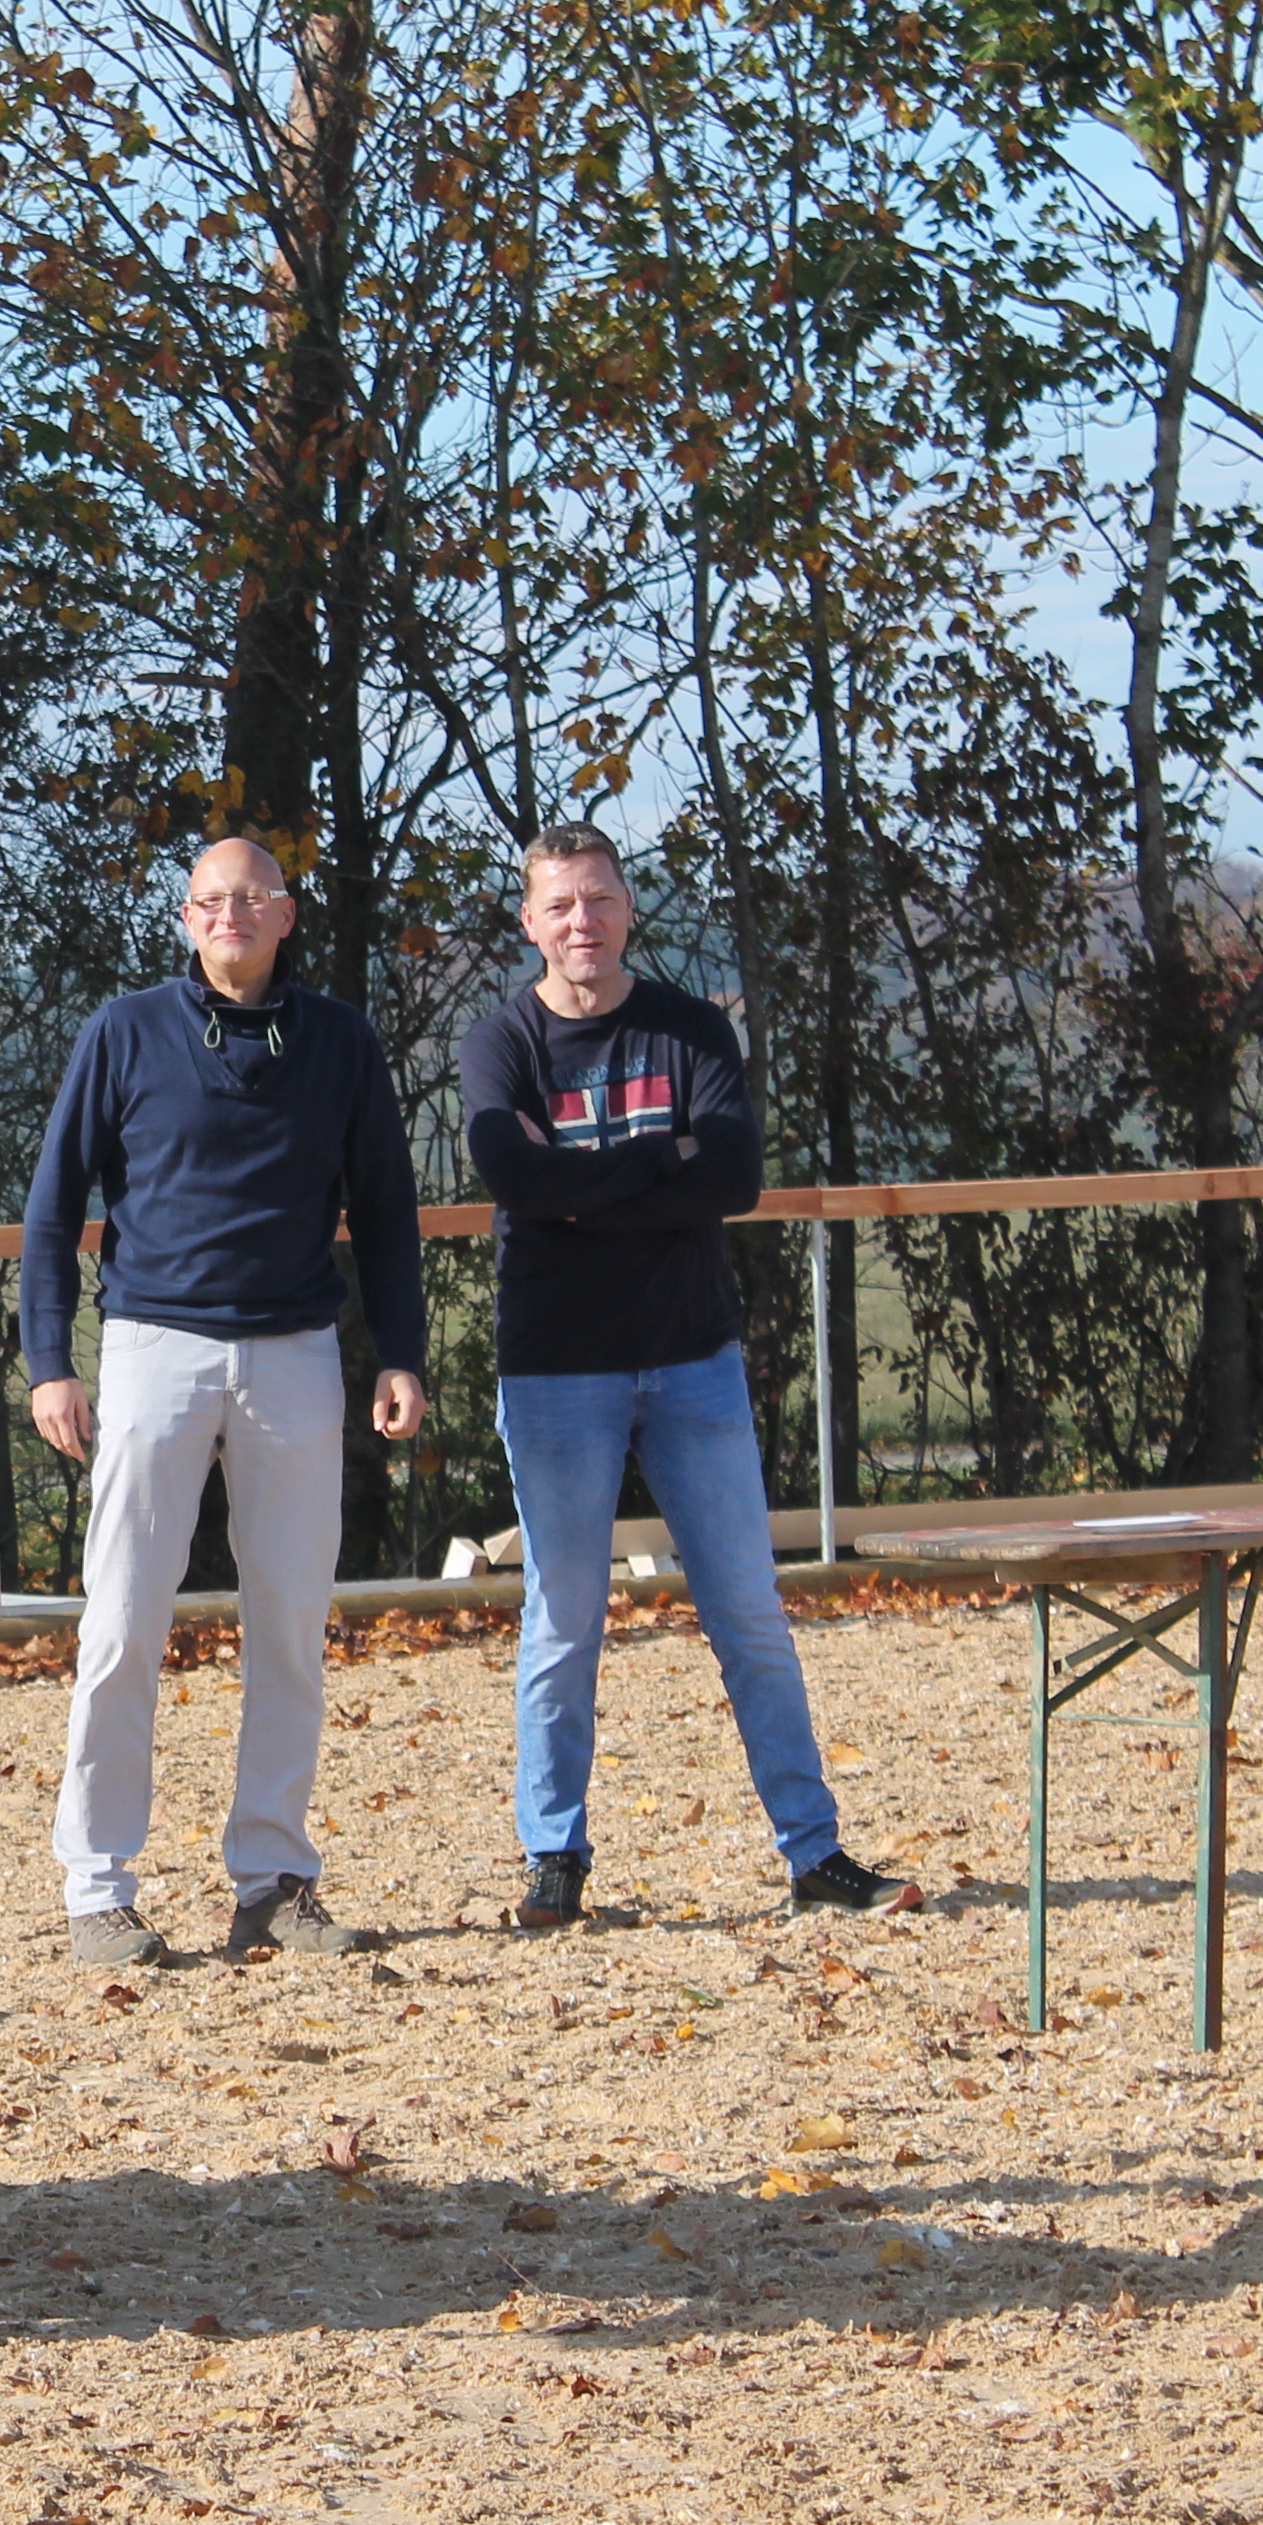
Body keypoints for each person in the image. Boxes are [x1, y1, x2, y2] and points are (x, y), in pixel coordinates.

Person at [457, 821, 915, 1927]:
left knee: (750, 1615)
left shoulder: (690, 1026)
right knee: (564, 1622)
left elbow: (740, 1177)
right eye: (560, 905)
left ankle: (815, 1855)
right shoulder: (499, 1041)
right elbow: (512, 1173)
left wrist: (584, 1185)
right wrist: (663, 1161)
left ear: (629, 909)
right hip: (558, 1370)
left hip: (692, 1360)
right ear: (530, 921)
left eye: (600, 900)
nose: (582, 922)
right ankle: (553, 1860)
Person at [22, 833, 430, 1973]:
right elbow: (53, 1206)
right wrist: (49, 1358)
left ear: (288, 915)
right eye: (210, 899)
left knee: (292, 1623)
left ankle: (274, 1878)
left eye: (252, 897)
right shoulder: (125, 1031)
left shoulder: (342, 1042)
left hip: (297, 1351)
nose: (231, 915)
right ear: (186, 919)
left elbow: (390, 1210)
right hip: (154, 1344)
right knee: (121, 1626)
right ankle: (98, 1888)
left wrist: (400, 1350)